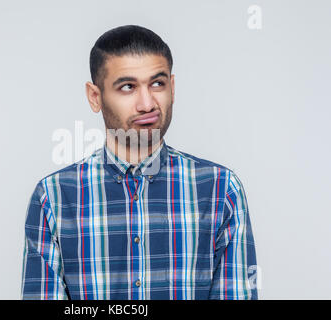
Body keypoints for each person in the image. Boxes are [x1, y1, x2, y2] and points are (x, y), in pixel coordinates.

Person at [21, 25, 258, 300]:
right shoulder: (54, 197)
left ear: (173, 87)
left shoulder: (220, 190)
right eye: (128, 87)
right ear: (95, 97)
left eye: (158, 84)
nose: (147, 104)